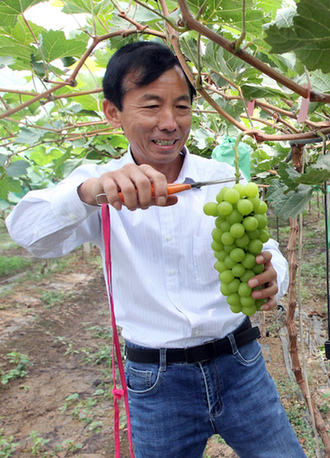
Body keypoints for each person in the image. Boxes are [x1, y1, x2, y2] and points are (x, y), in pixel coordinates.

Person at [6, 41, 306, 458]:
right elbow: (28, 233)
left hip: (242, 365)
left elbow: (265, 248)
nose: (169, 122)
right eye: (150, 106)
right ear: (113, 112)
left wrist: (274, 272)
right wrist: (88, 193)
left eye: (181, 107)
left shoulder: (218, 178)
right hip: (156, 382)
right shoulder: (99, 184)